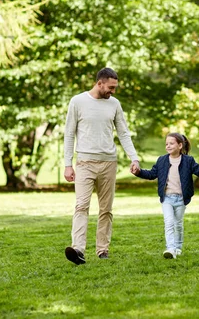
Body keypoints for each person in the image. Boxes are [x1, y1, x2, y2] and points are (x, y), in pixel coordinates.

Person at [63, 68, 140, 265]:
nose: (113, 91)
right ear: (100, 83)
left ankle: (102, 250)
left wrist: (134, 158)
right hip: (85, 162)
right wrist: (67, 164)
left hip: (108, 163)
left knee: (106, 209)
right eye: (111, 87)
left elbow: (123, 133)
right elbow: (69, 134)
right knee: (81, 206)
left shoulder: (114, 104)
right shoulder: (78, 101)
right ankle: (78, 249)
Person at [132, 133, 199, 259]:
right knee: (169, 222)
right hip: (167, 198)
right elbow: (152, 174)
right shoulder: (162, 160)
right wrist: (139, 172)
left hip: (181, 199)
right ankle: (171, 248)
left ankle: (178, 247)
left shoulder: (188, 161)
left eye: (171, 143)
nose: (168, 146)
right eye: (166, 144)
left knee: (178, 224)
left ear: (180, 145)